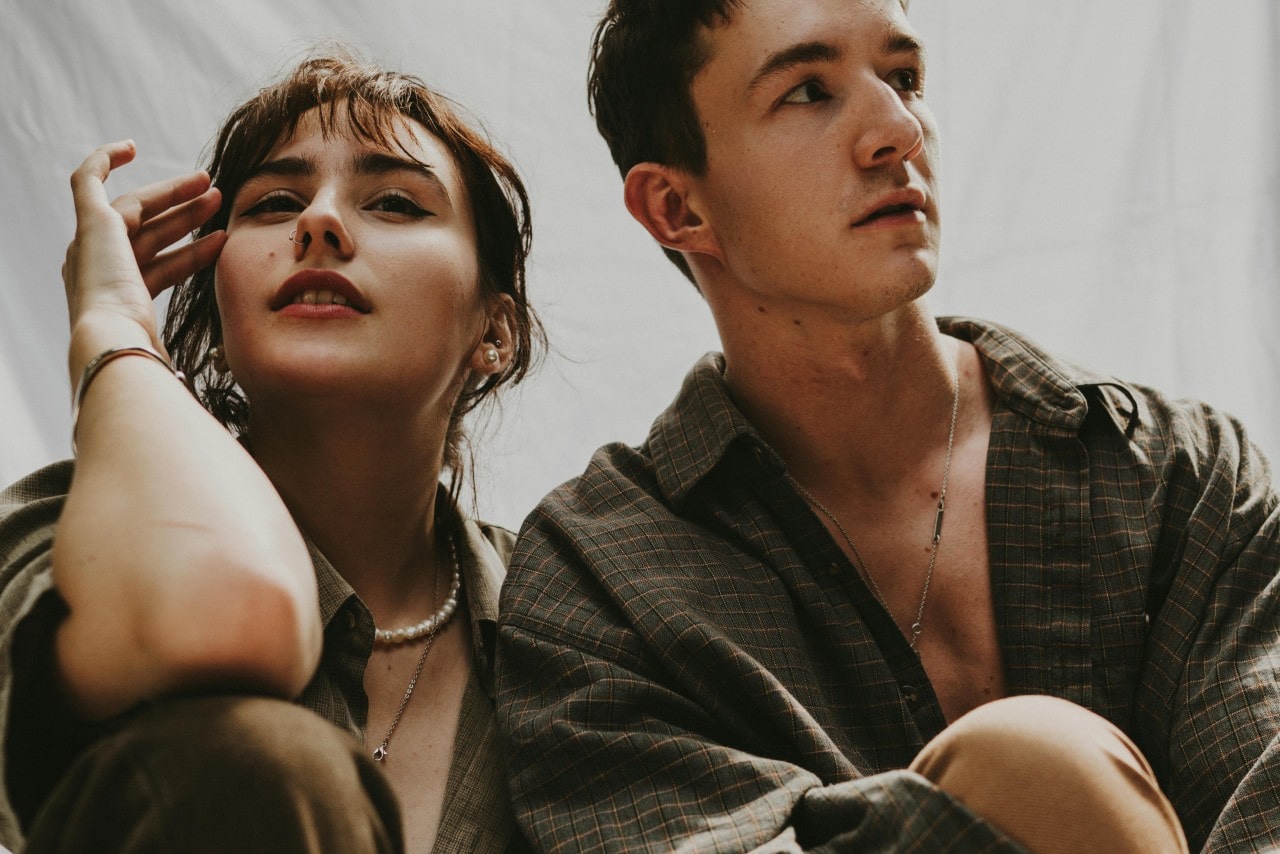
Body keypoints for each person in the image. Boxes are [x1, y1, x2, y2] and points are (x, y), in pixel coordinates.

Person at [494, 0, 1280, 851]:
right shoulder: (600, 582)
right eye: (806, 92)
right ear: (677, 209)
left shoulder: (1180, 477)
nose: (898, 130)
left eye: (904, 77)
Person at [0, 48, 541, 852]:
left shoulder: (571, 614)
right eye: (274, 203)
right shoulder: (64, 529)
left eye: (394, 202)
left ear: (493, 332)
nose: (318, 221)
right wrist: (113, 329)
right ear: (218, 313)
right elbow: (217, 607)